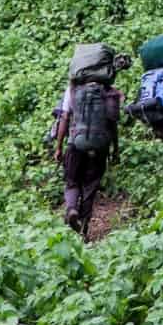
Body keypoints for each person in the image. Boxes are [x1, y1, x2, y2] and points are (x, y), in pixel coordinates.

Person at [53, 76, 122, 237]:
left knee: (72, 181)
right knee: (90, 186)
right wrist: (115, 149)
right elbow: (112, 124)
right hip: (100, 146)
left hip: (75, 144)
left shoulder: (73, 91)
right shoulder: (108, 93)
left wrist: (58, 147)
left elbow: (64, 118)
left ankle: (71, 209)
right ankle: (83, 229)